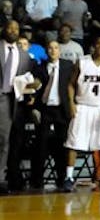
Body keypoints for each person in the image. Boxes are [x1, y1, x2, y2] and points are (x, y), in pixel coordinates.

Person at [63, 35, 100, 192]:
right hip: (82, 106)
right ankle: (69, 177)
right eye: (98, 43)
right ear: (93, 46)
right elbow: (70, 85)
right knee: (73, 143)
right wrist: (72, 104)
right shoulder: (82, 62)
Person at [30, 39, 74, 188]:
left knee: (62, 144)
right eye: (50, 48)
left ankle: (62, 179)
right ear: (46, 51)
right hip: (45, 108)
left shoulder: (68, 66)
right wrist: (35, 107)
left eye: (56, 48)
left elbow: (73, 86)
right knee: (40, 145)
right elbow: (34, 89)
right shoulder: (39, 67)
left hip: (61, 109)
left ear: (59, 51)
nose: (53, 50)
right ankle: (37, 180)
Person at [0, 19, 35, 194]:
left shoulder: (24, 55)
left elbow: (27, 79)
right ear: (3, 29)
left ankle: (2, 179)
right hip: (1, 96)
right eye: (10, 27)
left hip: (15, 101)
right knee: (2, 140)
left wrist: (31, 92)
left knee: (8, 141)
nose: (13, 30)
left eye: (16, 28)